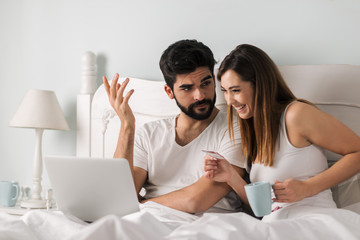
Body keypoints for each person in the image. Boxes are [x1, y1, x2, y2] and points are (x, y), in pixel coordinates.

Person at [203, 44, 360, 219]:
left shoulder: (296, 115)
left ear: (260, 85)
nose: (230, 101)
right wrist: (231, 177)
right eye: (225, 91)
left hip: (310, 220)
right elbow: (263, 209)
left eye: (236, 90)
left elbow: (357, 151)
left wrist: (307, 188)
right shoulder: (254, 130)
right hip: (273, 226)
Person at [102, 39, 247, 214]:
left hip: (208, 224)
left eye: (206, 83)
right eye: (187, 88)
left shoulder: (235, 129)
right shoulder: (148, 134)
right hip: (148, 221)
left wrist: (140, 205)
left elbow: (196, 201)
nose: (200, 95)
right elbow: (119, 195)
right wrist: (127, 126)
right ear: (169, 92)